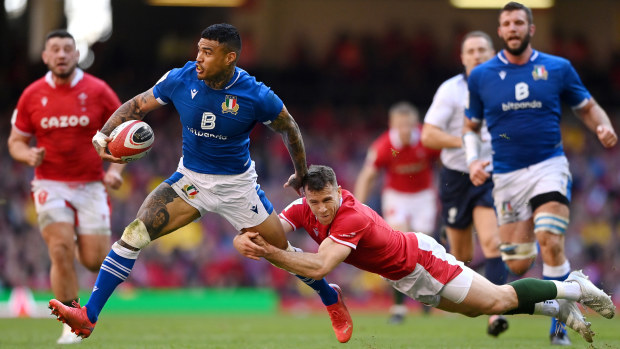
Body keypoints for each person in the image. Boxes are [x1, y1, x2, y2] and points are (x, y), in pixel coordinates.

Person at [48, 23, 353, 343]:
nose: (199, 58)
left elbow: (289, 128)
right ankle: (88, 317)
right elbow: (137, 105)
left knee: (278, 250)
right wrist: (102, 134)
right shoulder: (181, 78)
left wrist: (301, 173)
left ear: (229, 57)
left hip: (238, 188)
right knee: (133, 234)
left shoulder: (255, 94)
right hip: (189, 181)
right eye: (198, 50)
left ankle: (330, 297)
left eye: (208, 52)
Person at [234, 165, 615, 344]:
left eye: (326, 199)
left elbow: (319, 265)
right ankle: (557, 308)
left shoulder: (350, 215)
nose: (320, 209)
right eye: (314, 202)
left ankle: (573, 287)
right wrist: (247, 237)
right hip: (404, 276)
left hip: (421, 263)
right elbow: (270, 231)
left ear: (339, 189)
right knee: (475, 309)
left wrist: (267, 252)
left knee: (499, 298)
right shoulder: (304, 207)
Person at [463, 2, 618, 345]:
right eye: (507, 23)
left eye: (520, 22)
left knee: (549, 240)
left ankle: (559, 329)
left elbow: (587, 107)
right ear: (500, 32)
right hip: (506, 176)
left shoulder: (557, 68)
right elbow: (470, 127)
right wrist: (474, 160)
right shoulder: (482, 76)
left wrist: (603, 126)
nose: (514, 27)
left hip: (549, 165)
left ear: (531, 29)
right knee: (517, 265)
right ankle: (571, 287)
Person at [8, 30, 125, 345]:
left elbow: (125, 134)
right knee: (59, 250)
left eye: (67, 49)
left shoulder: (99, 91)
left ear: (76, 55)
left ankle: (77, 239)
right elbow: (15, 142)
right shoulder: (32, 94)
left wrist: (115, 170)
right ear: (45, 57)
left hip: (91, 186)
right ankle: (71, 322)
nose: (61, 55)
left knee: (92, 260)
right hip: (50, 183)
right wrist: (27, 153)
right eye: (55, 50)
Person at [421, 30, 509, 337]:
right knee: (461, 257)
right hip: (456, 177)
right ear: (462, 57)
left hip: (490, 175)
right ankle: (469, 289)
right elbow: (428, 135)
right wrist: (465, 140)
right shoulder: (451, 91)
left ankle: (495, 312)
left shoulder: (508, 86)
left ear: (493, 53)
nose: (476, 55)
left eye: (482, 49)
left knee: (493, 243)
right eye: (470, 50)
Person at [354, 101, 439, 324]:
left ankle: (427, 299)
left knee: (425, 248)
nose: (403, 130)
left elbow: (445, 161)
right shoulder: (384, 145)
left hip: (424, 196)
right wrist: (357, 207)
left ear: (415, 124)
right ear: (392, 124)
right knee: (399, 247)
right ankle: (398, 308)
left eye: (408, 125)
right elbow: (367, 175)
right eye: (399, 125)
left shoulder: (427, 140)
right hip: (397, 197)